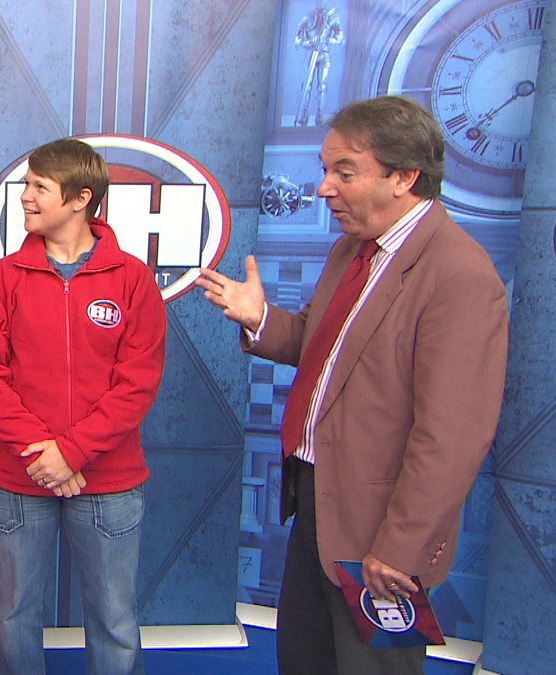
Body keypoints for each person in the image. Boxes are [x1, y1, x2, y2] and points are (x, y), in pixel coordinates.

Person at [195, 96, 508, 674]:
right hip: (316, 501)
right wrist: (260, 318)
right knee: (305, 658)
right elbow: (323, 349)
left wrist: (401, 546)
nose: (323, 189)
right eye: (324, 169)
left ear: (404, 177)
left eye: (345, 171)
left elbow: (452, 437)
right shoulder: (352, 250)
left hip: (382, 528)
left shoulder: (458, 275)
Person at [0, 138, 165, 675]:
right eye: (26, 184)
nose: (24, 196)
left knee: (114, 621)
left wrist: (72, 451)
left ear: (80, 199)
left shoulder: (132, 280)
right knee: (13, 617)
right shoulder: (3, 279)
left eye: (39, 187)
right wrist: (42, 453)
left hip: (108, 480)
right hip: (16, 477)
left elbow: (137, 383)